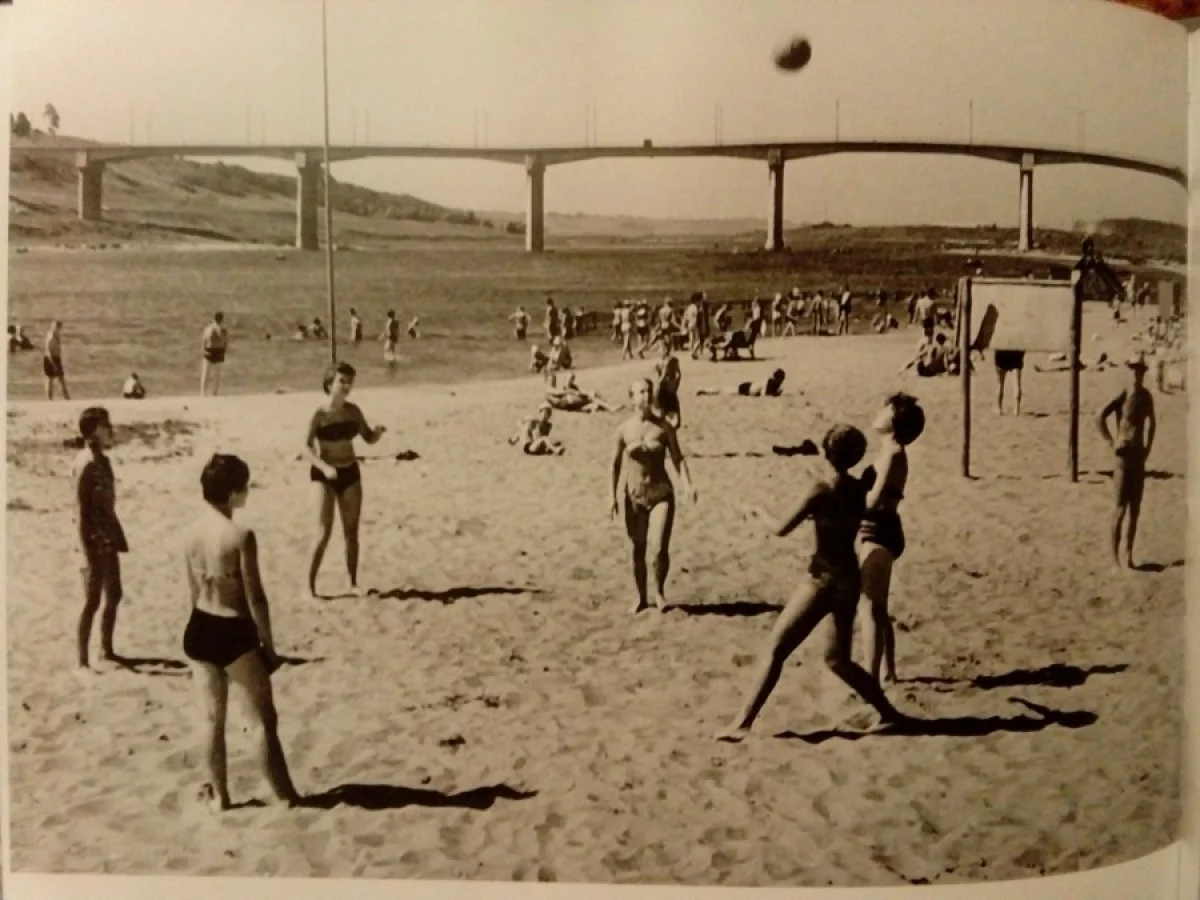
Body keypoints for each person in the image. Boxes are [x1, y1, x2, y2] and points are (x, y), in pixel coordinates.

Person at [715, 425, 906, 743]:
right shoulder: (858, 489)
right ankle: (888, 713)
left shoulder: (820, 490)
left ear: (826, 453)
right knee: (838, 660)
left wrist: (756, 512)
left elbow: (780, 528)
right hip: (849, 578)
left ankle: (742, 723)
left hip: (822, 579)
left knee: (776, 648)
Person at [183, 453, 302, 810]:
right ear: (233, 492)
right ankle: (285, 797)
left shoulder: (190, 533)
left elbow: (193, 591)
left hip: (199, 625)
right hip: (232, 629)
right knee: (263, 719)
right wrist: (269, 646)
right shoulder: (240, 536)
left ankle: (220, 797)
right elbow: (256, 598)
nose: (247, 492)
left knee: (212, 720)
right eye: (245, 487)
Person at [610, 379, 697, 614]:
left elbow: (677, 458)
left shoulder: (664, 427)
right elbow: (615, 465)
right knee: (638, 548)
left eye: (648, 391)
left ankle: (659, 592)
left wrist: (687, 484)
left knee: (658, 548)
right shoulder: (623, 430)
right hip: (634, 494)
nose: (645, 395)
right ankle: (641, 597)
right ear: (631, 398)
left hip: (661, 493)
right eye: (640, 392)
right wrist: (611, 496)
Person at [857, 393, 925, 684]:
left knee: (870, 608)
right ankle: (888, 671)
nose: (879, 411)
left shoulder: (893, 454)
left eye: (886, 409)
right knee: (878, 607)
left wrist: (845, 502)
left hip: (878, 531)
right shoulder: (890, 451)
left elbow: (875, 499)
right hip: (881, 529)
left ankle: (871, 678)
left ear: (895, 420)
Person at [304, 363, 387, 598]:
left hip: (350, 472)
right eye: (342, 381)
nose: (347, 386)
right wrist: (324, 467)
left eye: (350, 381)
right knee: (322, 533)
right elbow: (305, 447)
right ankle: (308, 588)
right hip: (323, 475)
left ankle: (352, 583)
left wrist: (377, 433)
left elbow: (367, 437)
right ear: (329, 384)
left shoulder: (353, 412)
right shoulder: (319, 414)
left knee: (351, 532)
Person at [72, 407, 129, 672]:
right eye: (106, 425)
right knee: (92, 599)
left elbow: (108, 505)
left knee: (114, 593)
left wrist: (116, 534)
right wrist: (85, 549)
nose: (111, 429)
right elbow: (80, 510)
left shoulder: (104, 462)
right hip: (90, 539)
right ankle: (82, 659)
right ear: (94, 431)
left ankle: (106, 649)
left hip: (107, 536)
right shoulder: (85, 463)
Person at [1097, 355, 1156, 570]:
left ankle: (1129, 555)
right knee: (1120, 509)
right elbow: (1099, 416)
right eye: (1132, 369)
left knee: (1135, 510)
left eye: (1139, 370)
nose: (1135, 374)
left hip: (1138, 457)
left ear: (1143, 373)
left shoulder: (1146, 396)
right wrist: (1110, 442)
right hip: (1122, 457)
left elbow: (1152, 423)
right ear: (1128, 370)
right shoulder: (1122, 393)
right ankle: (1115, 559)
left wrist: (1148, 448)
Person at [696, 368, 786, 397]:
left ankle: (705, 390)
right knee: (722, 391)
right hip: (745, 389)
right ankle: (704, 391)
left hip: (749, 387)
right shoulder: (768, 382)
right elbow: (763, 395)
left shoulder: (774, 383)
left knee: (723, 389)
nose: (782, 382)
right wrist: (775, 395)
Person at [653, 342, 683, 427]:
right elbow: (658, 377)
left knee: (670, 413)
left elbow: (677, 374)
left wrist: (675, 385)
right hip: (664, 389)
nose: (659, 351)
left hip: (668, 389)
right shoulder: (658, 362)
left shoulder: (672, 360)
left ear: (666, 349)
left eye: (661, 349)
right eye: (658, 349)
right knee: (662, 413)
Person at [201, 312, 228, 397]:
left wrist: (224, 350)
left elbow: (204, 340)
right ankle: (206, 393)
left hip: (215, 351)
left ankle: (210, 393)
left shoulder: (214, 329)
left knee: (213, 375)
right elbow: (225, 341)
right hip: (212, 351)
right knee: (211, 374)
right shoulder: (212, 329)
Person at [43, 319, 70, 400]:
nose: (59, 329)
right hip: (51, 358)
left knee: (59, 378)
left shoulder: (55, 335)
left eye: (59, 328)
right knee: (52, 379)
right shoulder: (51, 336)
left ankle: (65, 397)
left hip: (56, 358)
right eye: (57, 327)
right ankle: (51, 398)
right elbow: (48, 349)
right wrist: (52, 362)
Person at [993, 349, 1026, 415]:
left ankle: (999, 408)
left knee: (1000, 384)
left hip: (1001, 354)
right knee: (1016, 383)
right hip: (1016, 354)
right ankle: (1016, 409)